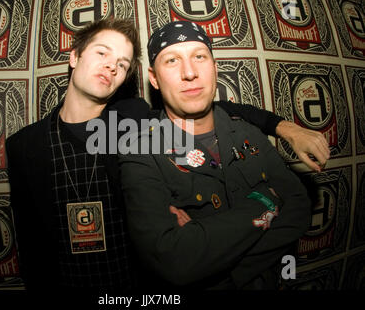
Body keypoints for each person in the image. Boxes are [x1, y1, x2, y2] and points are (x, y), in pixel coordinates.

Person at [6, 18, 327, 292]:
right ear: (74, 56)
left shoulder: (132, 118)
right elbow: (32, 245)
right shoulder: (24, 145)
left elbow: (206, 107)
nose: (110, 66)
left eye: (122, 64)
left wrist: (284, 128)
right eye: (102, 53)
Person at [118, 21, 315, 290]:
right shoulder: (140, 151)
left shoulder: (249, 131)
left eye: (199, 56)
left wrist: (220, 267)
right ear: (154, 78)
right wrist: (268, 201)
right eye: (172, 60)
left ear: (214, 67)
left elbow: (299, 207)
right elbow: (174, 260)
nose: (189, 72)